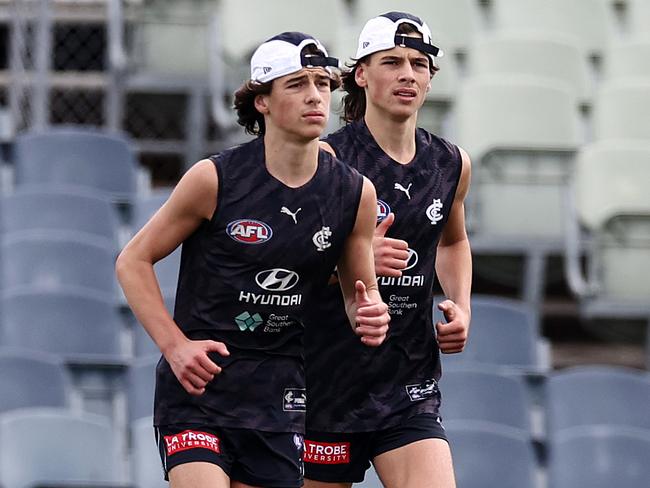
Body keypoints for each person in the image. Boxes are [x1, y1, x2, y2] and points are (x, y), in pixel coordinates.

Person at [116, 31, 390, 488]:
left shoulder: (354, 192)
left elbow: (358, 296)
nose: (315, 97)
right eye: (297, 84)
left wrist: (370, 314)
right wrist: (175, 347)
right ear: (261, 101)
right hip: (201, 387)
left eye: (323, 84)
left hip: (280, 393)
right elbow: (133, 261)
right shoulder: (213, 179)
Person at [304, 12, 472, 488]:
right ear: (361, 74)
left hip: (407, 379)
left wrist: (461, 303)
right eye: (392, 61)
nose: (407, 74)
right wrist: (353, 259)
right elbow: (286, 262)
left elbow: (454, 240)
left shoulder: (451, 162)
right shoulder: (329, 159)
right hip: (325, 379)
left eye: (419, 64)